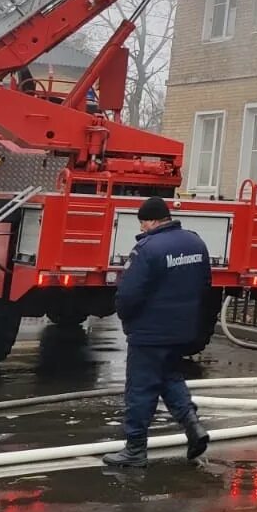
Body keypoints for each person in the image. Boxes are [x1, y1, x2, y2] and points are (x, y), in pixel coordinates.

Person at [102, 196, 212, 468]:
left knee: (140, 389)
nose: (142, 228)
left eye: (143, 223)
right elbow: (206, 286)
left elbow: (129, 294)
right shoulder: (196, 243)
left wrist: (126, 318)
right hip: (182, 330)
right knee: (169, 378)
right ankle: (193, 427)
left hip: (150, 333)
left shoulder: (147, 249)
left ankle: (135, 449)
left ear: (151, 220)